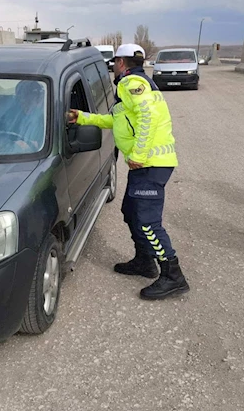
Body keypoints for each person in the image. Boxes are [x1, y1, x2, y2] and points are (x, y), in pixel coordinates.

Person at [68, 43, 189, 300]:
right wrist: (82, 117)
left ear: (121, 63)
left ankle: (173, 275)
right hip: (145, 164)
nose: (113, 66)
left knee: (147, 221)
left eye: (114, 62)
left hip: (150, 164)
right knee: (131, 212)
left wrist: (139, 154)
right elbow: (115, 121)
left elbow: (148, 118)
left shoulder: (133, 83)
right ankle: (145, 261)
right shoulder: (132, 85)